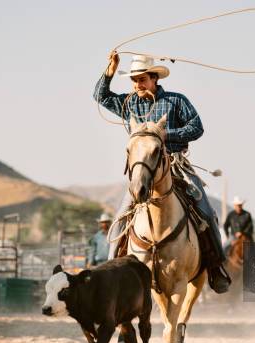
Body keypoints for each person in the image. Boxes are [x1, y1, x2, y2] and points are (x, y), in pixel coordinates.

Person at [94, 52, 229, 294]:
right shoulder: (129, 103)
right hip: (143, 173)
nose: (137, 84)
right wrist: (111, 70)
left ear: (154, 78)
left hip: (176, 166)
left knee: (207, 213)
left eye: (142, 79)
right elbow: (100, 96)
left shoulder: (177, 101)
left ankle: (216, 267)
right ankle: (112, 272)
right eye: (134, 80)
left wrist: (166, 134)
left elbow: (196, 128)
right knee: (119, 220)